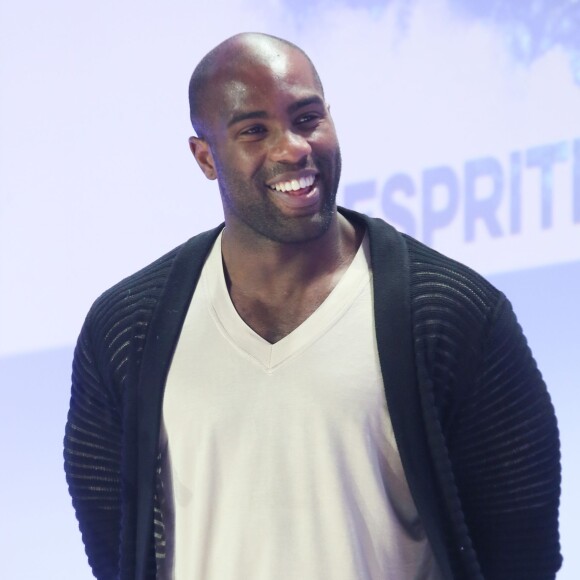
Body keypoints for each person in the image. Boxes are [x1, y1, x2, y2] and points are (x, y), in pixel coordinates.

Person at [64, 32, 561, 580]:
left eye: (307, 119)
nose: (293, 147)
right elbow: (114, 548)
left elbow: (522, 550)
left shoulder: (455, 314)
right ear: (205, 157)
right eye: (255, 130)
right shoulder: (127, 327)